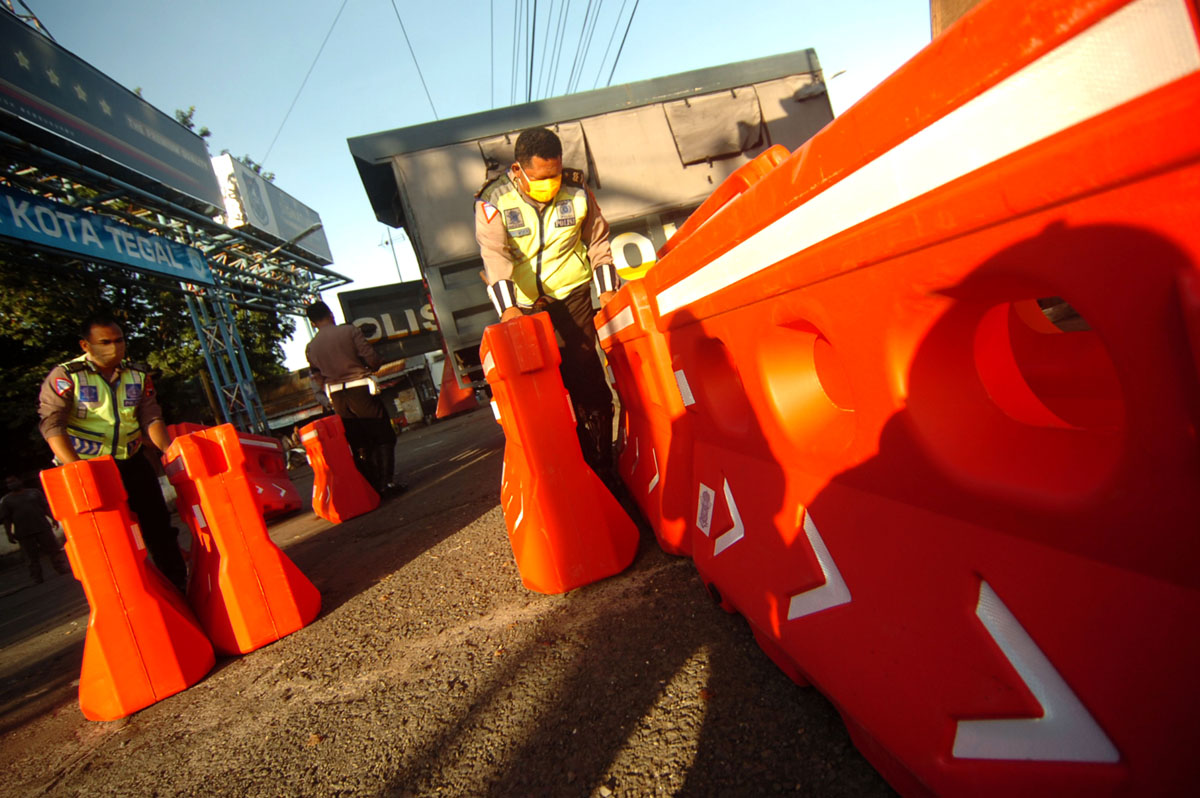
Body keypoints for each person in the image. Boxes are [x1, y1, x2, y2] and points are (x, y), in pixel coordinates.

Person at [475, 126, 620, 474]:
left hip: (572, 295)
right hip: (523, 305)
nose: (550, 185)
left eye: (555, 175)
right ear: (518, 171)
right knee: (544, 390)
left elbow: (598, 244)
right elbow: (495, 257)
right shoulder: (494, 201)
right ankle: (569, 464)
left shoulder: (577, 191)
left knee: (586, 376)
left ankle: (603, 463)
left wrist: (608, 293)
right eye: (541, 178)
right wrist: (509, 309)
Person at [37, 314, 188, 592]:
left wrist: (170, 452)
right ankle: (132, 595)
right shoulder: (66, 376)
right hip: (88, 468)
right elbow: (52, 423)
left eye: (119, 341)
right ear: (86, 345)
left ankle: (179, 587)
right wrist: (76, 468)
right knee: (111, 540)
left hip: (131, 461)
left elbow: (151, 418)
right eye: (104, 342)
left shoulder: (138, 375)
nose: (114, 347)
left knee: (159, 528)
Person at [304, 301, 403, 496]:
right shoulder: (349, 332)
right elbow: (372, 359)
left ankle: (371, 486)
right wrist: (374, 364)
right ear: (331, 314)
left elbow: (317, 377)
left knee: (358, 441)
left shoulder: (311, 347)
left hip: (336, 396)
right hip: (360, 388)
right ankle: (386, 483)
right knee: (383, 435)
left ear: (313, 323)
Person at [1, 475, 69, 584]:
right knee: (31, 557)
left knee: (53, 550)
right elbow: (6, 519)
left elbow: (45, 507)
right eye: (8, 483)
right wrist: (9, 533)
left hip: (42, 526)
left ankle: (61, 568)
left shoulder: (34, 493)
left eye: (13, 481)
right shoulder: (6, 500)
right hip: (24, 532)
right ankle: (36, 577)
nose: (11, 484)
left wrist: (53, 518)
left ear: (20, 481)